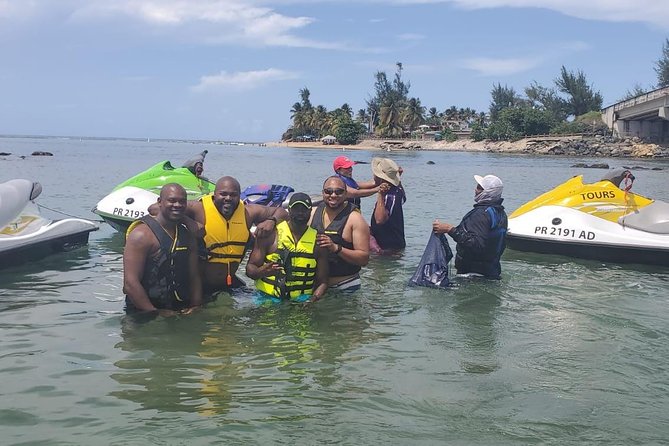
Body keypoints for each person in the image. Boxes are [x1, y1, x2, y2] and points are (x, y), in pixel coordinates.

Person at [151, 176, 289, 293]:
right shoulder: (199, 208)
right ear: (214, 194)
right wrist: (187, 220)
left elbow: (283, 212)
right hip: (200, 284)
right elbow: (154, 208)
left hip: (229, 284)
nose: (228, 198)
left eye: (233, 195)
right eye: (223, 194)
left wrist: (271, 221)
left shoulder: (248, 212)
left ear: (239, 196)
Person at [123, 183, 202, 314]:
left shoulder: (187, 235)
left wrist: (196, 306)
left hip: (180, 309)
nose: (177, 205)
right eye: (172, 200)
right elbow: (130, 284)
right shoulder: (141, 235)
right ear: (159, 202)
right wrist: (155, 313)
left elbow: (194, 276)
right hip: (144, 312)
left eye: (182, 201)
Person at [246, 193, 329, 304]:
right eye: (296, 209)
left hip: (301, 301)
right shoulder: (270, 235)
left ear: (310, 212)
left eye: (304, 209)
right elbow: (250, 269)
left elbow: (323, 281)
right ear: (289, 210)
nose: (300, 213)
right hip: (266, 298)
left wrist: (313, 299)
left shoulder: (318, 242)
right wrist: (261, 272)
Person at [432, 174, 508, 279]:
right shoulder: (501, 213)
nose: (475, 190)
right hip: (492, 273)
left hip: (472, 275)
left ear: (487, 192)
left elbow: (476, 244)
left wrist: (450, 229)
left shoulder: (481, 214)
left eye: (478, 187)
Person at [310, 176, 370, 292]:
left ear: (346, 193)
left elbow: (364, 259)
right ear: (323, 193)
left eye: (339, 192)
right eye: (329, 191)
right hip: (316, 287)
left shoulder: (356, 219)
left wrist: (336, 248)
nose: (333, 195)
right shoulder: (312, 213)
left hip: (345, 285)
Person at [369, 157, 406, 252]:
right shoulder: (398, 190)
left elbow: (379, 220)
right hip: (397, 243)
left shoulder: (388, 196)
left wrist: (380, 194)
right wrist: (398, 178)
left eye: (376, 174)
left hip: (386, 247)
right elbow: (403, 198)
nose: (374, 175)